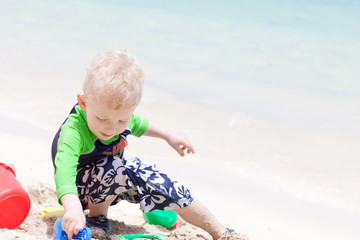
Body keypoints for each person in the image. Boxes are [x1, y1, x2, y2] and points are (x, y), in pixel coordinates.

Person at [51, 48, 248, 240]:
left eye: (121, 121)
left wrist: (169, 135)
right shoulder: (73, 131)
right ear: (84, 102)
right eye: (102, 118)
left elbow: (140, 124)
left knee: (157, 180)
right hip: (78, 193)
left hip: (112, 184)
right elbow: (64, 173)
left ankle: (221, 232)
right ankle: (97, 219)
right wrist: (74, 209)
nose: (112, 128)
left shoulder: (120, 119)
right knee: (113, 165)